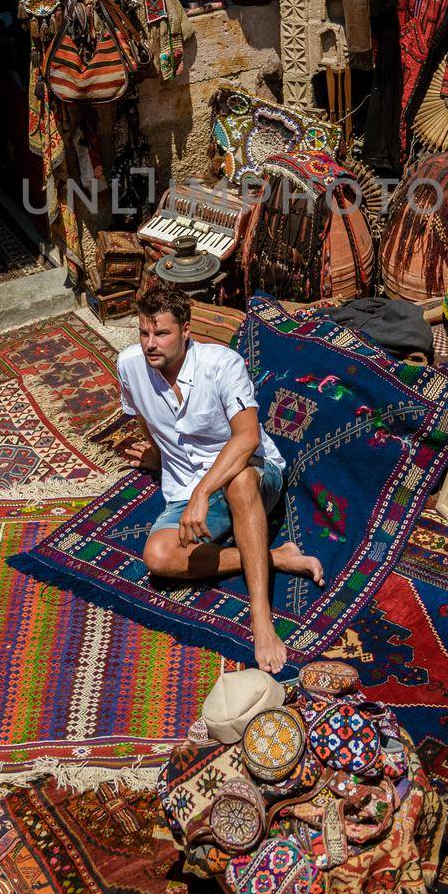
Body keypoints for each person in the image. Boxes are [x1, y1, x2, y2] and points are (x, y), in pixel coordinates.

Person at [117, 282, 323, 673]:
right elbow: (144, 415)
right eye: (144, 333)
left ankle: (261, 619)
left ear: (186, 330)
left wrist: (203, 491)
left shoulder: (221, 364)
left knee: (240, 482)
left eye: (161, 333)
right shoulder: (129, 365)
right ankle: (273, 556)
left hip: (251, 476)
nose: (150, 344)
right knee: (157, 557)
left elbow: (247, 437)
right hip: (183, 487)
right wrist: (159, 457)